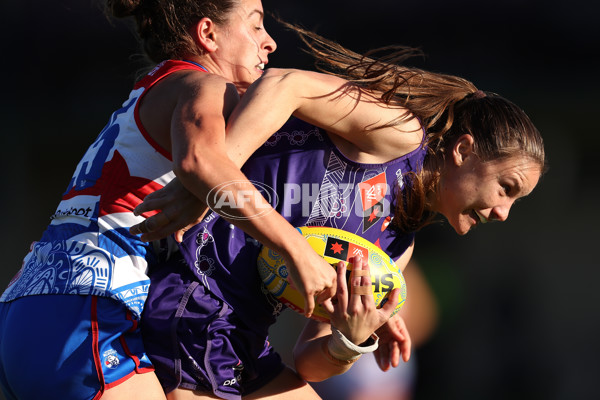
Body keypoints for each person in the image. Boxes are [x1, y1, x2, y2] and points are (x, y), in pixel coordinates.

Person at [134, 25, 546, 400]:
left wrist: (349, 341)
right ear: (463, 150)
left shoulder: (395, 246)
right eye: (505, 188)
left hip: (238, 340)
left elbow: (308, 360)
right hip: (193, 304)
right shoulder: (400, 135)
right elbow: (284, 83)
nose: (503, 213)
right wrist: (212, 181)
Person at [0, 1, 344, 399]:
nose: (269, 43)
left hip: (51, 306)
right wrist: (297, 252)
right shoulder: (204, 85)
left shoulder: (162, 87)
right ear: (208, 34)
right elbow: (200, 163)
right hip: (88, 314)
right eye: (255, 25)